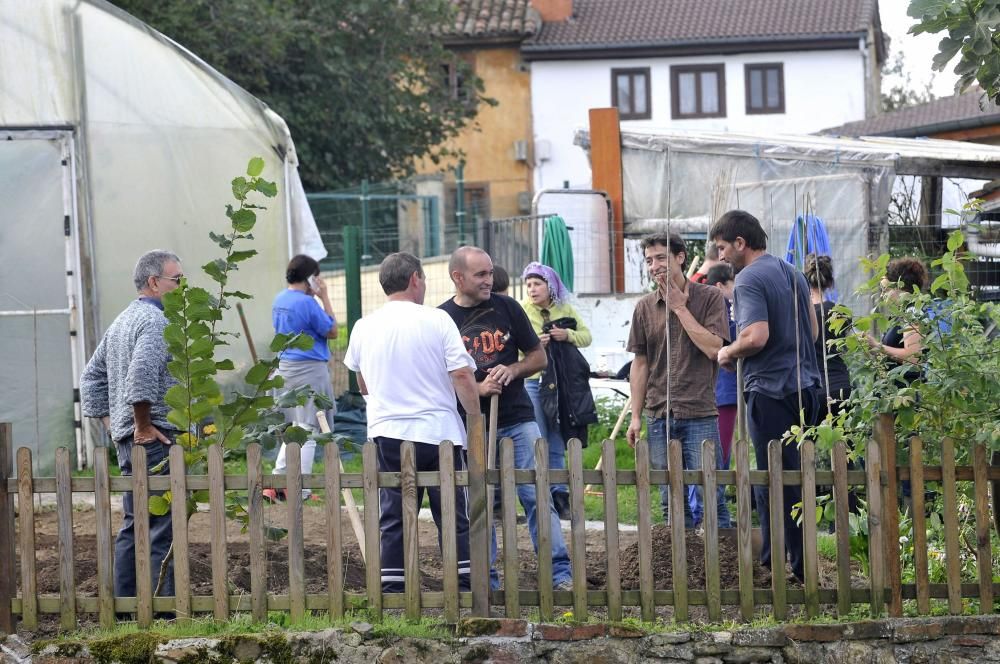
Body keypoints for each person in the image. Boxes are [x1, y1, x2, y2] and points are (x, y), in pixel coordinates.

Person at [343, 252, 480, 593]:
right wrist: (474, 418)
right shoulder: (437, 321)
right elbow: (461, 374)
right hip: (438, 432)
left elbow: (362, 383)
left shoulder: (364, 326)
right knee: (451, 511)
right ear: (415, 278)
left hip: (388, 432)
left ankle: (393, 588)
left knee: (394, 513)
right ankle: (463, 585)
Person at [439, 246, 573, 591]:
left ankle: (559, 575)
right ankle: (489, 582)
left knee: (535, 494)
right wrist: (475, 389)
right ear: (458, 277)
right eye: (480, 275)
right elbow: (437, 377)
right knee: (481, 501)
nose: (489, 280)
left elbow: (537, 357)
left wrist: (511, 370)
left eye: (489, 273)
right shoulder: (441, 319)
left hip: (516, 418)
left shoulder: (507, 308)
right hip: (472, 424)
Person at [711, 210, 822, 583]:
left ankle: (783, 566)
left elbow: (756, 336)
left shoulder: (748, 279)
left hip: (771, 391)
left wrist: (727, 353)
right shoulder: (793, 273)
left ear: (740, 243)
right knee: (797, 475)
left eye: (723, 248)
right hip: (807, 387)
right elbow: (814, 329)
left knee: (774, 477)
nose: (721, 257)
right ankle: (790, 560)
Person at [80, 249, 182, 609]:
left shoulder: (123, 320)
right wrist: (141, 423)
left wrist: (116, 427)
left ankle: (124, 607)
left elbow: (90, 380)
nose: (182, 287)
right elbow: (141, 377)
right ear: (155, 282)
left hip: (131, 439)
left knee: (133, 523)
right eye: (177, 280)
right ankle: (162, 609)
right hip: (156, 438)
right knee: (159, 526)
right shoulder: (154, 322)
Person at [626, 233, 732, 529]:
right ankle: (678, 568)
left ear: (680, 257)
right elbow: (640, 363)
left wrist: (680, 308)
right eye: (649, 260)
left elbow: (714, 348)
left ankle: (723, 567)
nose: (654, 265)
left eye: (661, 257)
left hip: (699, 411)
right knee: (669, 498)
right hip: (658, 414)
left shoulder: (710, 298)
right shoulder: (645, 307)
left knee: (711, 493)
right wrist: (635, 416)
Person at [519, 261, 593, 520]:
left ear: (550, 286)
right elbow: (513, 349)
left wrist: (567, 335)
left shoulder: (565, 308)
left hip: (561, 384)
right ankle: (541, 492)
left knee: (557, 436)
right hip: (534, 383)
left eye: (537, 284)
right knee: (537, 436)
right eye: (528, 284)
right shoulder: (522, 311)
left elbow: (586, 337)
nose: (532, 289)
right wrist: (532, 345)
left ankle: (560, 495)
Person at [264, 255, 338, 503]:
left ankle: (277, 482)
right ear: (310, 279)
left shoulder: (279, 299)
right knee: (309, 429)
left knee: (294, 427)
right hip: (309, 369)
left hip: (285, 368)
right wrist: (324, 296)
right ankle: (300, 489)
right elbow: (333, 330)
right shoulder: (308, 304)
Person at [804, 254, 853, 418]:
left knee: (806, 443)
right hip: (841, 387)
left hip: (812, 389)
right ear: (831, 283)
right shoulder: (841, 312)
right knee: (845, 441)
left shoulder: (800, 315)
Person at [704, 263, 738, 468]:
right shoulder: (722, 313)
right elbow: (736, 336)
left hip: (715, 389)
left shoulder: (706, 309)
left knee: (711, 447)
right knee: (721, 449)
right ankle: (715, 494)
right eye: (733, 283)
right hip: (724, 390)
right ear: (720, 286)